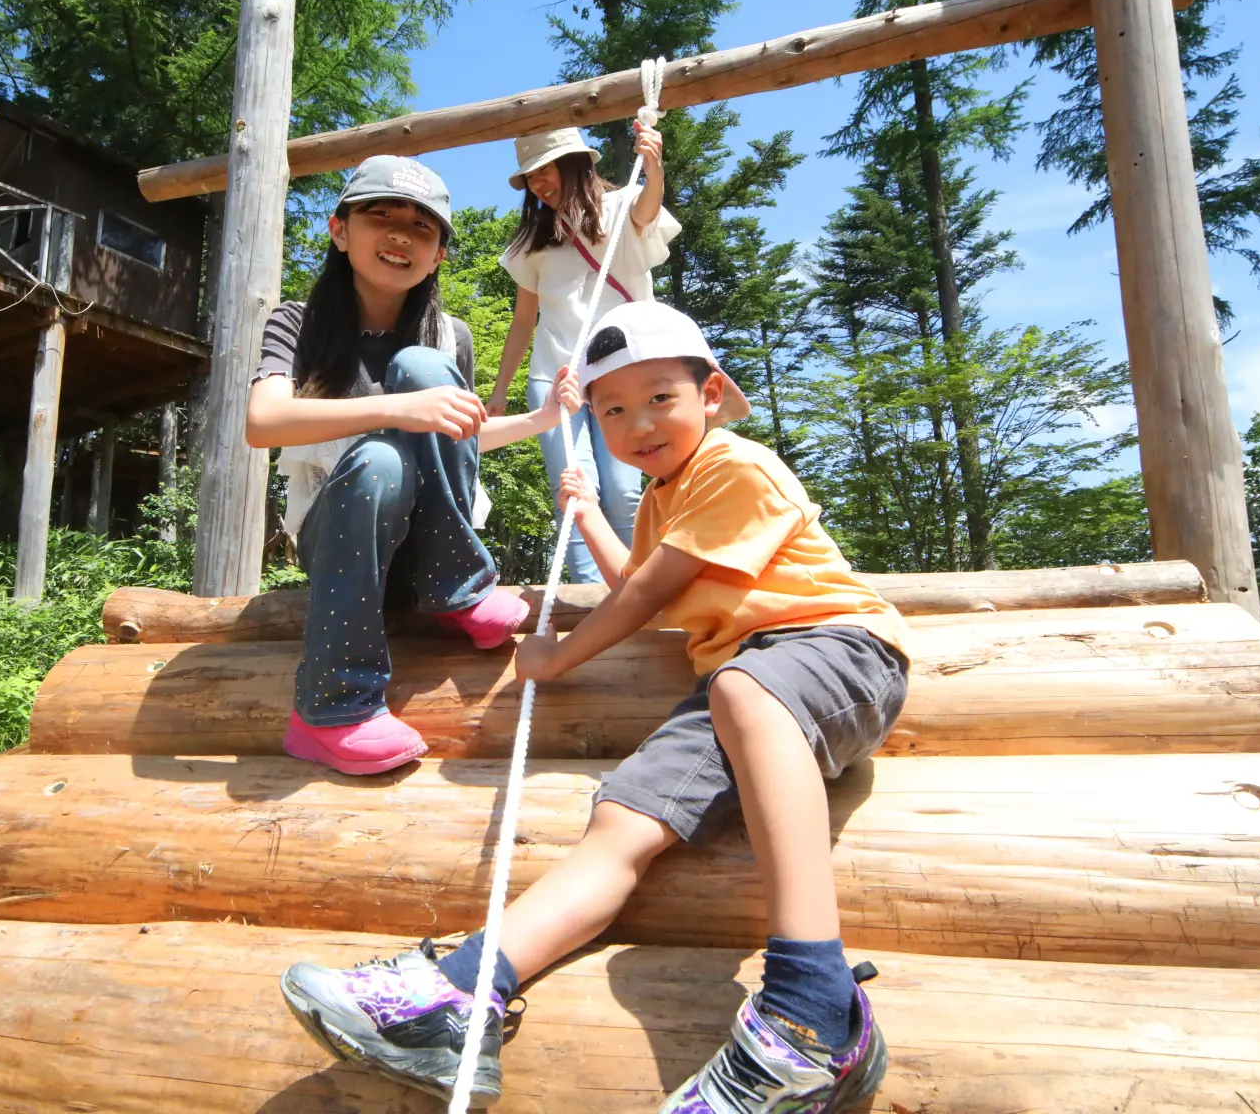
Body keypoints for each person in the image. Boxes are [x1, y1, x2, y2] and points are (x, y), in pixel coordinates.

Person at [280, 301, 911, 1113]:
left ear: (711, 395)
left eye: (659, 399)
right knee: (623, 816)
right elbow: (634, 578)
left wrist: (559, 654)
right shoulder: (662, 500)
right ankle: (460, 994)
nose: (636, 422)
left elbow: (649, 595)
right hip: (740, 690)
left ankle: (816, 1010)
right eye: (613, 409)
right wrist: (583, 513)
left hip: (837, 652)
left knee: (741, 689)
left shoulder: (733, 465)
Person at [246, 155, 581, 777]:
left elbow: (455, 438)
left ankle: (457, 587)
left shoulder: (448, 335)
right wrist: (402, 408)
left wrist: (540, 422)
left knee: (425, 369)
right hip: (344, 545)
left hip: (428, 557)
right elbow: (263, 422)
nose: (400, 234)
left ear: (438, 257)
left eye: (422, 228)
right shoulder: (298, 322)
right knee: (379, 457)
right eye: (381, 216)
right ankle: (332, 707)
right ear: (339, 231)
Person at [488, 123, 679, 584]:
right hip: (555, 378)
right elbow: (522, 322)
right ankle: (591, 598)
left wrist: (653, 170)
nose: (537, 183)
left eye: (543, 170)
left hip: (623, 373)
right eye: (529, 177)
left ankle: (637, 590)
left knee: (622, 489)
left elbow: (645, 212)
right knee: (576, 490)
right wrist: (499, 395)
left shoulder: (618, 209)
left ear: (573, 164)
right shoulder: (531, 241)